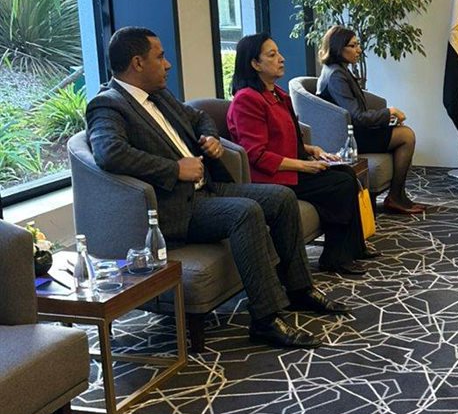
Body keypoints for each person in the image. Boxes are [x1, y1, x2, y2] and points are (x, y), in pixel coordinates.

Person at [86, 28, 342, 350]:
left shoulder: (159, 95)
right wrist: (174, 168)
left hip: (207, 188)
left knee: (281, 197)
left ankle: (299, 289)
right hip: (175, 206)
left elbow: (200, 117)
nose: (167, 64)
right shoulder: (107, 105)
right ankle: (265, 319)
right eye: (160, 57)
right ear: (137, 63)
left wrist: (209, 137)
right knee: (245, 212)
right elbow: (110, 152)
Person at [226, 34, 370, 278]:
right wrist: (304, 166)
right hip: (271, 177)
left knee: (346, 172)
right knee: (340, 183)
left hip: (290, 167)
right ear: (255, 64)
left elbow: (286, 136)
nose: (281, 59)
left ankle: (353, 249)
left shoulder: (277, 94)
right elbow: (256, 155)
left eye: (278, 53)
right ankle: (335, 257)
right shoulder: (246, 100)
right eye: (272, 55)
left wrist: (310, 150)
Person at [316, 26, 424, 216]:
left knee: (403, 132)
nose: (359, 50)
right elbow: (357, 116)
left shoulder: (338, 70)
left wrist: (385, 118)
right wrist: (388, 112)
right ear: (338, 48)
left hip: (353, 130)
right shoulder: (336, 76)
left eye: (358, 45)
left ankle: (398, 195)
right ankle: (396, 197)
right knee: (406, 136)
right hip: (349, 138)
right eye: (353, 46)